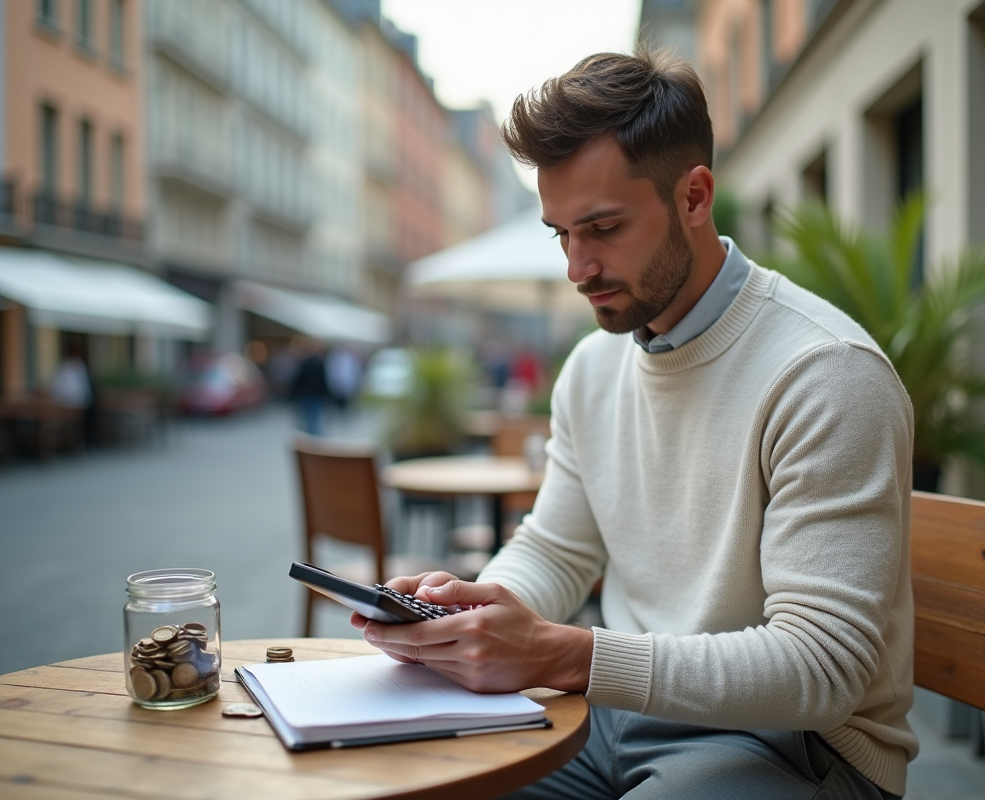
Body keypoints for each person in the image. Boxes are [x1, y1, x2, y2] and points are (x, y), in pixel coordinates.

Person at [352, 48, 916, 799]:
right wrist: (471, 611)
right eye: (561, 234)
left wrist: (566, 657)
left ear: (695, 196)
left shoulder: (826, 373)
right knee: (410, 781)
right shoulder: (592, 369)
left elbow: (822, 669)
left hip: (794, 748)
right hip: (616, 715)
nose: (577, 267)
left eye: (604, 228)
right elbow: (555, 548)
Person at [288, 341, 329, 436]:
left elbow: (298, 379)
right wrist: (326, 393)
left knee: (308, 415)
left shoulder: (304, 362)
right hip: (317, 393)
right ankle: (314, 434)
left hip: (306, 393)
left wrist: (294, 394)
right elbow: (324, 380)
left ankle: (310, 435)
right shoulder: (320, 362)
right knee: (315, 415)